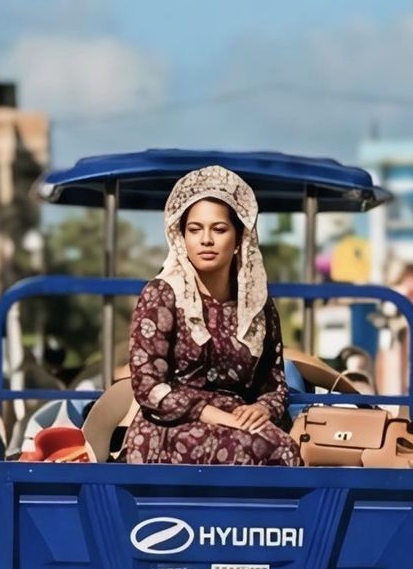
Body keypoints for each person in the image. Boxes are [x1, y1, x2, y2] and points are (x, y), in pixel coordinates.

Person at [123, 166, 300, 467]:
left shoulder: (258, 305)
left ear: (238, 238)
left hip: (240, 423)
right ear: (182, 237)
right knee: (252, 448)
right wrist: (220, 417)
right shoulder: (162, 294)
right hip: (169, 429)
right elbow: (148, 386)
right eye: (195, 229)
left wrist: (263, 409)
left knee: (286, 448)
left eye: (219, 229)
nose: (206, 239)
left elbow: (275, 384)